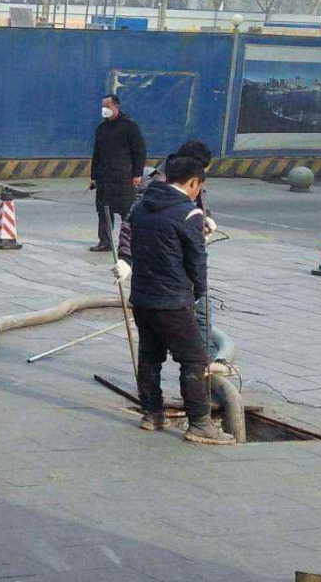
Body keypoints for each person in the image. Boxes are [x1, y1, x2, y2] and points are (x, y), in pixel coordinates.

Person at [124, 155, 234, 445]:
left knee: (150, 356)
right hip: (173, 299)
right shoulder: (188, 213)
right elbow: (197, 262)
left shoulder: (140, 207)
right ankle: (200, 424)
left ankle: (152, 414)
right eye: (199, 186)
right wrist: (197, 292)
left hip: (142, 296)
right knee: (194, 360)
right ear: (193, 182)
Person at [114, 140, 218, 359]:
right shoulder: (157, 185)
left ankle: (204, 362)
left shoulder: (188, 178)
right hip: (164, 264)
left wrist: (205, 219)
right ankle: (201, 365)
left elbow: (196, 207)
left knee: (199, 312)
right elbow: (131, 222)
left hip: (182, 256)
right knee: (189, 323)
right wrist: (125, 258)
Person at [89, 94, 146, 252]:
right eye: (103, 106)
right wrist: (93, 176)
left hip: (124, 177)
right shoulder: (102, 128)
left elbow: (139, 151)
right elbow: (97, 154)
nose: (104, 110)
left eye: (107, 106)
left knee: (126, 212)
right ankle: (105, 242)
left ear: (116, 106)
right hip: (104, 178)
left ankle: (130, 243)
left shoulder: (129, 126)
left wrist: (137, 174)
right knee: (103, 211)